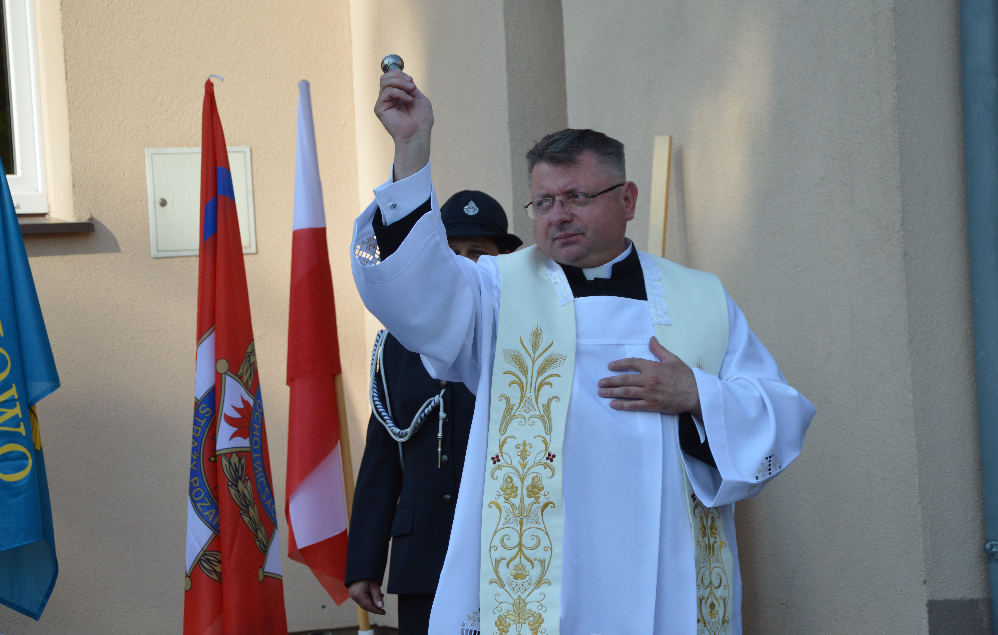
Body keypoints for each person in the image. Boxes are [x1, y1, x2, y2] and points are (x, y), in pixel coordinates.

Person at [349, 69, 816, 635]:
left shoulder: (700, 298)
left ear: (628, 199)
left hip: (667, 571)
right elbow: (413, 291)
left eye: (576, 197)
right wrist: (411, 150)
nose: (558, 215)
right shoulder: (496, 290)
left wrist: (697, 395)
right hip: (542, 582)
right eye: (543, 202)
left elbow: (779, 411)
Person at [345, 190, 522, 635]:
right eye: (451, 252)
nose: (463, 263)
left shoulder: (526, 335)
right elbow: (383, 455)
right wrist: (365, 559)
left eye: (478, 254)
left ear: (502, 261)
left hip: (506, 548)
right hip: (424, 552)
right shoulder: (396, 344)